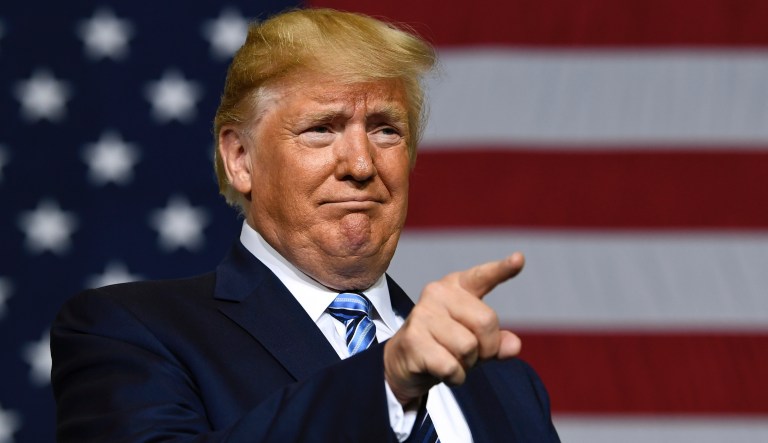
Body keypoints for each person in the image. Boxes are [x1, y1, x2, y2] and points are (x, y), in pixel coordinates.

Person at [51, 8, 560, 443]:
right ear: (240, 158)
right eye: (322, 129)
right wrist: (384, 384)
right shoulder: (127, 333)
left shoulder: (507, 384)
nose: (361, 164)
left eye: (386, 129)